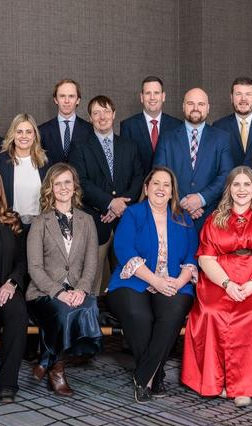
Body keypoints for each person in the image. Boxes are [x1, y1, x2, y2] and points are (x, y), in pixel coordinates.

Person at [181, 166, 252, 407]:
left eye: (247, 184)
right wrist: (227, 284)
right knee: (211, 312)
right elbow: (205, 258)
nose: (241, 190)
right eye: (236, 184)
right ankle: (216, 381)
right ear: (228, 189)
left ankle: (245, 386)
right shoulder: (214, 218)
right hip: (220, 278)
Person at [106, 167, 198, 403]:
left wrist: (178, 282)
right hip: (134, 279)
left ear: (172, 192)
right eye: (155, 183)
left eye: (166, 185)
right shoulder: (134, 214)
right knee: (139, 315)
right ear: (146, 189)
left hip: (174, 281)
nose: (160, 188)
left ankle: (144, 374)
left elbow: (191, 257)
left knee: (173, 312)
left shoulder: (183, 218)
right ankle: (155, 374)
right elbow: (125, 251)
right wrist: (155, 280)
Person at [26, 163, 102, 396]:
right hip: (44, 292)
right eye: (57, 183)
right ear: (50, 188)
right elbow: (35, 268)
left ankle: (46, 360)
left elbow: (91, 263)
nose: (63, 187)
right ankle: (57, 369)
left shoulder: (87, 221)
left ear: (74, 186)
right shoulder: (40, 222)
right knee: (63, 311)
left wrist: (81, 290)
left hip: (78, 288)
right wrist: (59, 292)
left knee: (89, 305)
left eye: (67, 182)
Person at [69, 95, 144, 294]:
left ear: (114, 114)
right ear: (90, 117)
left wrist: (120, 206)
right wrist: (110, 203)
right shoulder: (79, 147)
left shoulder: (129, 146)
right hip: (95, 219)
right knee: (92, 280)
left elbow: (138, 178)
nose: (102, 117)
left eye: (106, 111)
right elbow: (80, 182)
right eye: (96, 113)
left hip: (125, 220)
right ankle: (92, 319)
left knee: (127, 277)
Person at [154, 87, 233, 231]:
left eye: (201, 104)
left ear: (208, 108)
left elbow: (226, 175)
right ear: (183, 107)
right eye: (190, 103)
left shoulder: (222, 138)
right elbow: (159, 174)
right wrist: (185, 202)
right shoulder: (167, 138)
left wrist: (201, 199)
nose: (195, 108)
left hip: (211, 217)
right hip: (175, 215)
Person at [0, 167, 28, 403]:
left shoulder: (11, 220)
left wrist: (12, 282)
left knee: (17, 314)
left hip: (5, 287)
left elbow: (22, 260)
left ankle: (7, 383)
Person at [0, 113, 50, 228]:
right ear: (13, 135)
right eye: (19, 132)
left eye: (29, 132)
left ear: (34, 136)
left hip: (40, 225)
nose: (24, 136)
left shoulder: (45, 162)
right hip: (10, 225)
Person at [120, 76, 182, 176]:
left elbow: (179, 162)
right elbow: (126, 165)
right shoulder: (128, 126)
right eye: (148, 93)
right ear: (141, 97)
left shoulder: (177, 126)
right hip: (139, 189)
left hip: (168, 188)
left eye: (156, 93)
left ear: (163, 96)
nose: (152, 97)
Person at [213, 77, 252, 166]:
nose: (243, 99)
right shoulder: (219, 127)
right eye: (238, 94)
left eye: (248, 94)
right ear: (231, 98)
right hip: (230, 179)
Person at [38, 79, 93, 163]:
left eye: (71, 96)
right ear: (56, 100)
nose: (66, 101)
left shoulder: (90, 130)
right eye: (62, 96)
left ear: (78, 100)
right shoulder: (42, 131)